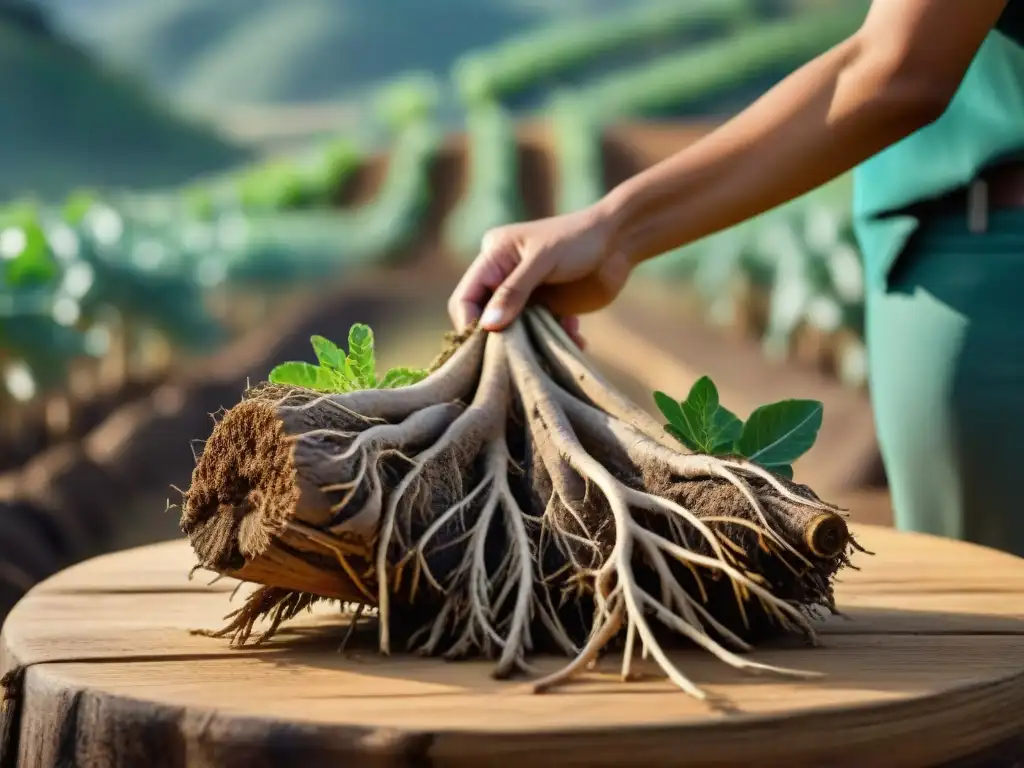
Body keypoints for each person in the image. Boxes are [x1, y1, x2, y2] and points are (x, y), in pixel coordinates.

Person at [447, 0, 1024, 558]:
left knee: (992, 619)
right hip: (956, 246)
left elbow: (898, 68)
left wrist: (616, 231)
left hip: (989, 271)